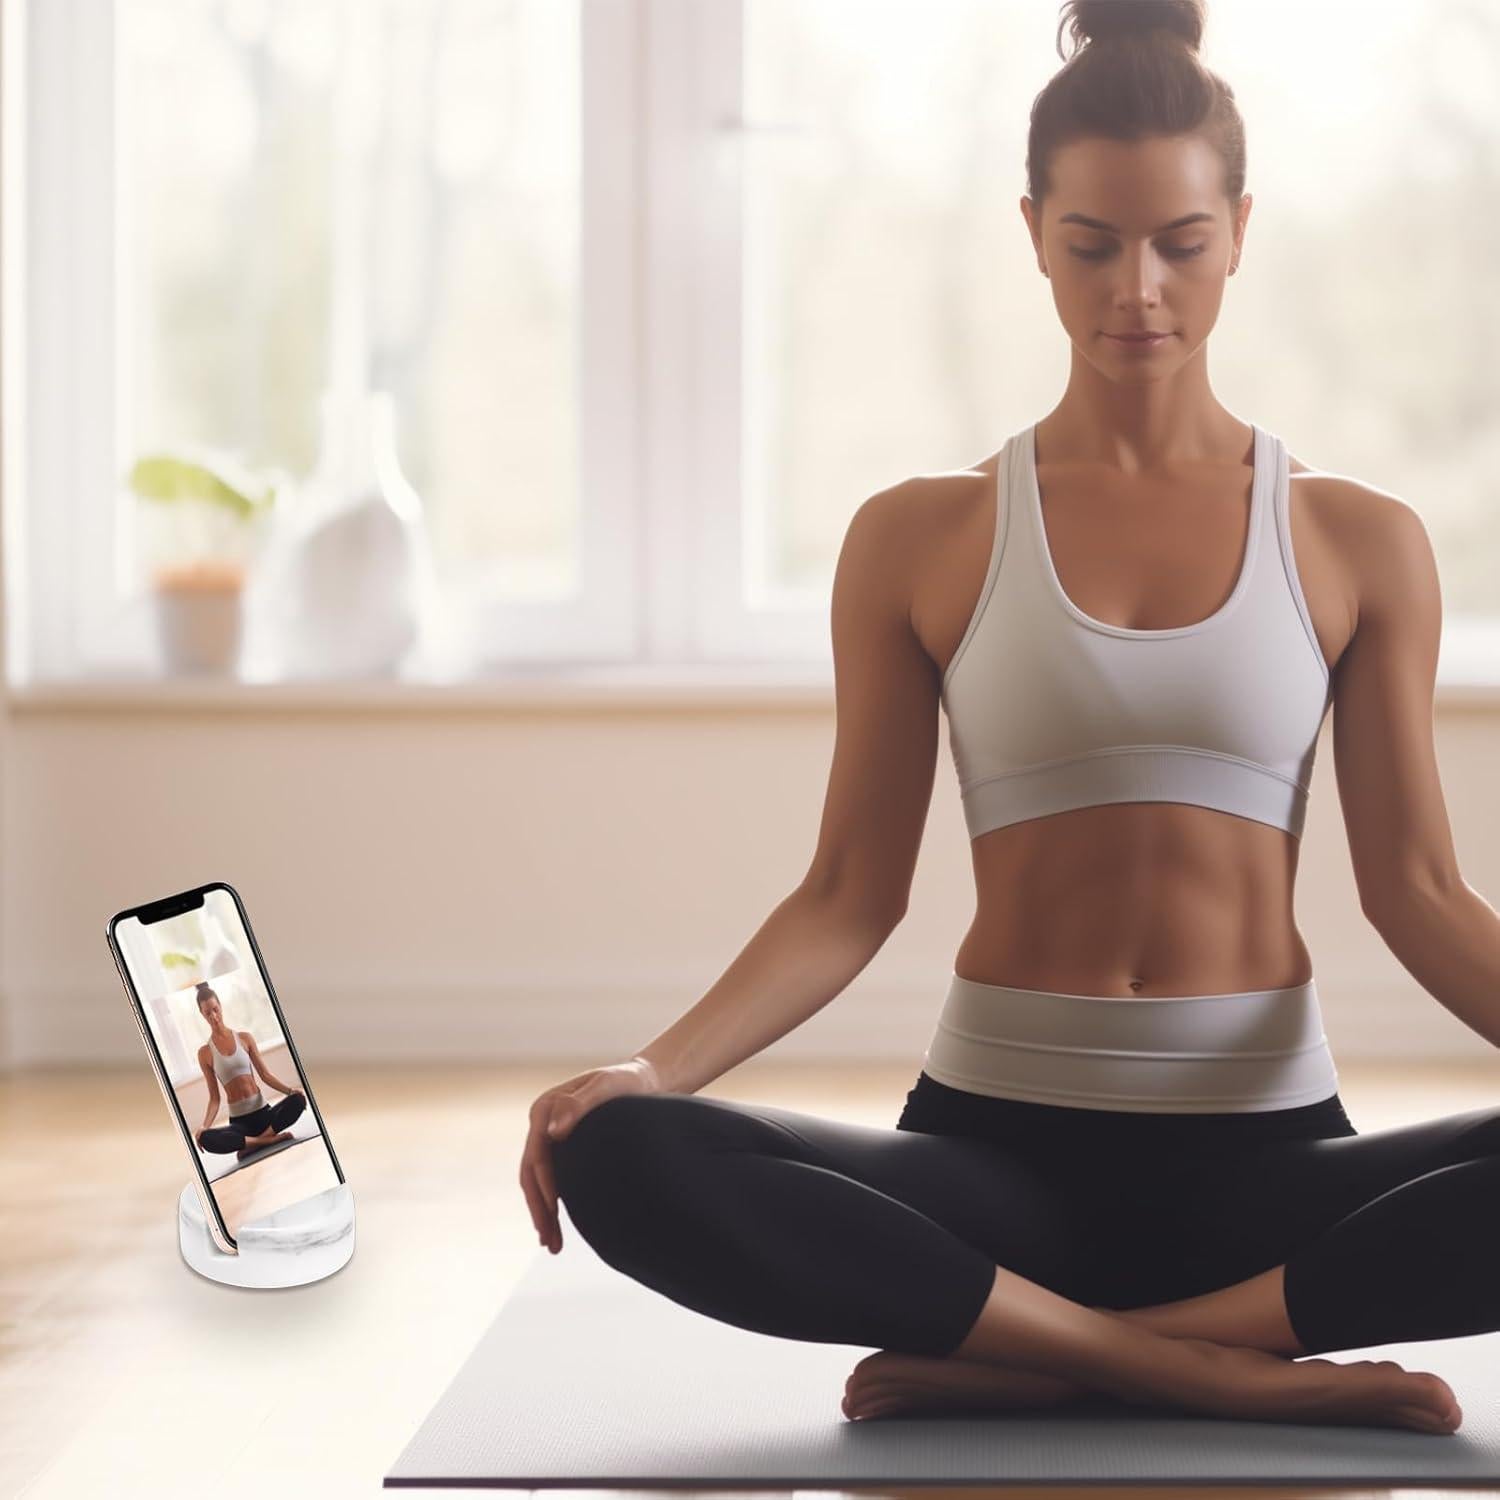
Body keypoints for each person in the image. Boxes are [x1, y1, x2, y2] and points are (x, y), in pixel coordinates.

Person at [519, 0, 1500, 1438]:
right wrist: (654, 1074)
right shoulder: (921, 538)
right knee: (619, 1155)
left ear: (1241, 226)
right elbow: (849, 895)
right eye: (1093, 245)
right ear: (1033, 230)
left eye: (1181, 242)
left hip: (1269, 1171)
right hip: (988, 1167)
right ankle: (1186, 1369)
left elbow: (1419, 895)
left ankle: (1071, 1352)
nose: (1138, 291)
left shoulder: (1359, 540)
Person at [192, 982, 307, 1159]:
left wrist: (290, 1091)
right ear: (202, 1015)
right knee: (206, 1138)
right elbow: (215, 1098)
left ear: (220, 1006)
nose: (214, 1016)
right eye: (208, 1013)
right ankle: (269, 1140)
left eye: (215, 1009)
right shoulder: (205, 1053)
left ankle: (254, 1143)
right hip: (239, 1123)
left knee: (298, 1100)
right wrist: (204, 1127)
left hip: (264, 1114)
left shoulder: (245, 1038)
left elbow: (265, 1075)